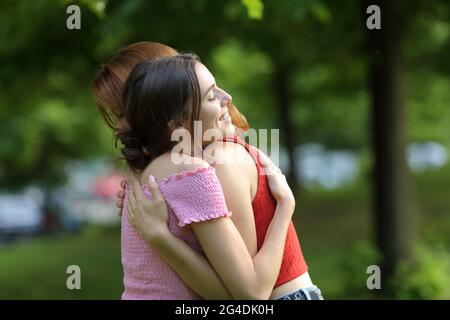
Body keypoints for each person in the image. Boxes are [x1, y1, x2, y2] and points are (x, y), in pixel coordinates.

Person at [93, 43, 323, 300]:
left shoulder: (218, 161)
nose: (123, 126)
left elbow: (246, 293)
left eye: (125, 109)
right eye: (121, 114)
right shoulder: (191, 162)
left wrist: (160, 235)